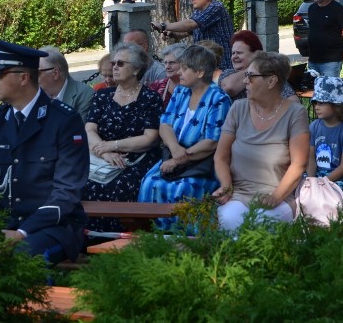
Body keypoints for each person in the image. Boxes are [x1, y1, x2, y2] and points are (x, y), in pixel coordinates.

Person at [0, 38, 88, 265]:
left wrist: (22, 232)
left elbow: (66, 192)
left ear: (24, 77)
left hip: (52, 227)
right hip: (3, 224)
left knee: (22, 257)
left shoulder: (64, 121)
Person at [212, 52, 309, 231]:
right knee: (230, 219)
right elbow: (221, 157)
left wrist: (276, 197)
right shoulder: (238, 108)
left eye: (251, 76)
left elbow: (299, 164)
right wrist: (226, 187)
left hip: (279, 195)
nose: (245, 81)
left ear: (271, 81)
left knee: (262, 222)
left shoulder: (295, 113)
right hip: (239, 194)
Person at [138, 45, 232, 230]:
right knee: (148, 182)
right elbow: (165, 124)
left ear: (199, 72)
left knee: (183, 189)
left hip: (202, 162)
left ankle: (186, 240)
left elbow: (212, 142)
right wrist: (175, 151)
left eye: (184, 68)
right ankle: (151, 236)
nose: (179, 72)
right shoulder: (181, 91)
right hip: (174, 154)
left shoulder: (219, 98)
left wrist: (180, 158)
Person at [83, 42, 163, 232]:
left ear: (136, 69)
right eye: (113, 63)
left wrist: (112, 145)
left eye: (120, 64)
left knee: (120, 187)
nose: (114, 68)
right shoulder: (102, 95)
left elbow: (150, 138)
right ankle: (86, 239)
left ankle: (116, 241)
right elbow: (89, 129)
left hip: (136, 158)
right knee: (81, 184)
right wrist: (104, 152)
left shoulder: (150, 98)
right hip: (101, 156)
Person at [152, 0, 233, 69]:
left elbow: (190, 24)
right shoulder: (199, 10)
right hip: (204, 63)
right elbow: (188, 32)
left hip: (220, 65)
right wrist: (171, 33)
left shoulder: (216, 7)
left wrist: (164, 26)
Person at [307, 76, 343, 195]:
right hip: (318, 174)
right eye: (315, 103)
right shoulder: (314, 126)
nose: (316, 107)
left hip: (342, 177)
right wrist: (311, 180)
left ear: (336, 105)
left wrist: (323, 182)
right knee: (299, 184)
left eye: (321, 103)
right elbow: (310, 158)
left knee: (327, 192)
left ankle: (328, 213)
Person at [218, 30, 300, 103]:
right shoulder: (227, 74)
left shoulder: (269, 76)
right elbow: (229, 88)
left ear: (256, 54)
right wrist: (257, 68)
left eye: (239, 53)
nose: (235, 57)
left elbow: (294, 102)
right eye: (233, 53)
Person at [38, 45, 94, 123]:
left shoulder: (84, 94)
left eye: (37, 73)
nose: (32, 77)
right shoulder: (36, 94)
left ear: (55, 73)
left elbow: (78, 131)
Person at [306, 0, 343, 78]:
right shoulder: (311, 8)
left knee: (329, 90)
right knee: (313, 91)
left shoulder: (337, 9)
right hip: (313, 60)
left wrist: (335, 43)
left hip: (331, 61)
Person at [148, 43, 188, 109]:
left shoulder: (192, 86)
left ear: (184, 64)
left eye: (172, 63)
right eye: (165, 63)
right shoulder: (156, 86)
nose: (167, 67)